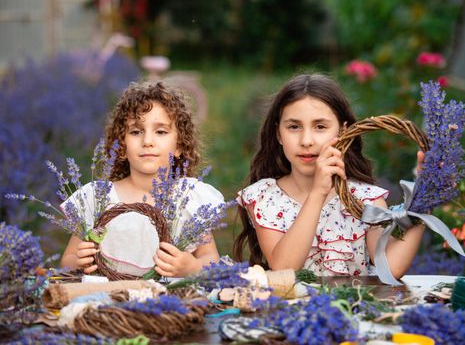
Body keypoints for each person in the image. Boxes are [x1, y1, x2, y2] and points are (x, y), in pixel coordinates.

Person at [233, 74, 425, 279]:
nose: (306, 140)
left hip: (353, 308)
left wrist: (424, 199)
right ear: (279, 134)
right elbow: (284, 269)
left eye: (320, 127)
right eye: (294, 127)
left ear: (343, 131)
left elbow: (391, 267)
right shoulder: (265, 197)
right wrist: (318, 192)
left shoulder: (363, 199)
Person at [60, 81, 222, 277]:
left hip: (169, 301)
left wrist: (192, 268)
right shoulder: (98, 197)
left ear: (179, 145)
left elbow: (210, 258)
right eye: (136, 132)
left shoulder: (189, 198)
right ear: (121, 146)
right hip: (109, 301)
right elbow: (68, 259)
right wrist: (79, 262)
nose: (147, 142)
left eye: (161, 132)